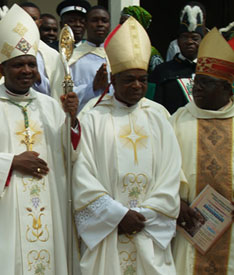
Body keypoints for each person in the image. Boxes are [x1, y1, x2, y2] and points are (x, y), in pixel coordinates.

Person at [0, 4, 80, 274]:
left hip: (48, 207)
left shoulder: (51, 106)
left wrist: (73, 121)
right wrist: (11, 163)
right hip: (0, 212)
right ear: (2, 68)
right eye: (18, 64)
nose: (26, 70)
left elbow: (71, 156)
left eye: (31, 64)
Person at [72, 17, 181, 275]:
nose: (137, 86)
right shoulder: (92, 116)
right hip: (109, 230)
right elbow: (82, 173)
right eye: (129, 79)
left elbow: (171, 173)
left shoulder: (159, 115)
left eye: (143, 80)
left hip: (149, 228)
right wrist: (116, 215)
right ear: (113, 80)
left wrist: (146, 215)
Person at [171, 28, 234, 275]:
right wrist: (174, 201)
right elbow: (160, 170)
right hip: (189, 227)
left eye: (206, 83)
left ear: (228, 90)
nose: (197, 88)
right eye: (196, 82)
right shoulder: (176, 120)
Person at [0, 2, 66, 101]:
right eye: (24, 17)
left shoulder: (52, 55)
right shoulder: (1, 52)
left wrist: (39, 79)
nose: (27, 22)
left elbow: (57, 91)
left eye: (33, 19)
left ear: (40, 22)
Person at [150, 3, 205, 114]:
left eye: (194, 38)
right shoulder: (162, 71)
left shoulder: (209, 71)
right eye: (184, 37)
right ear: (177, 41)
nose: (189, 42)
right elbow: (155, 110)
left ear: (202, 41)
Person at [69, 5, 111, 111]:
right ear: (86, 24)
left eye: (104, 21)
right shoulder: (72, 58)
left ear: (109, 25)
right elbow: (63, 92)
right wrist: (92, 87)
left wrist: (108, 87)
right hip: (84, 117)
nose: (100, 24)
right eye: (95, 20)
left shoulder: (115, 55)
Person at [119, 6, 163, 75]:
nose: (122, 27)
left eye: (127, 24)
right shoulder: (115, 49)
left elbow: (158, 80)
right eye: (121, 23)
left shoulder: (150, 52)